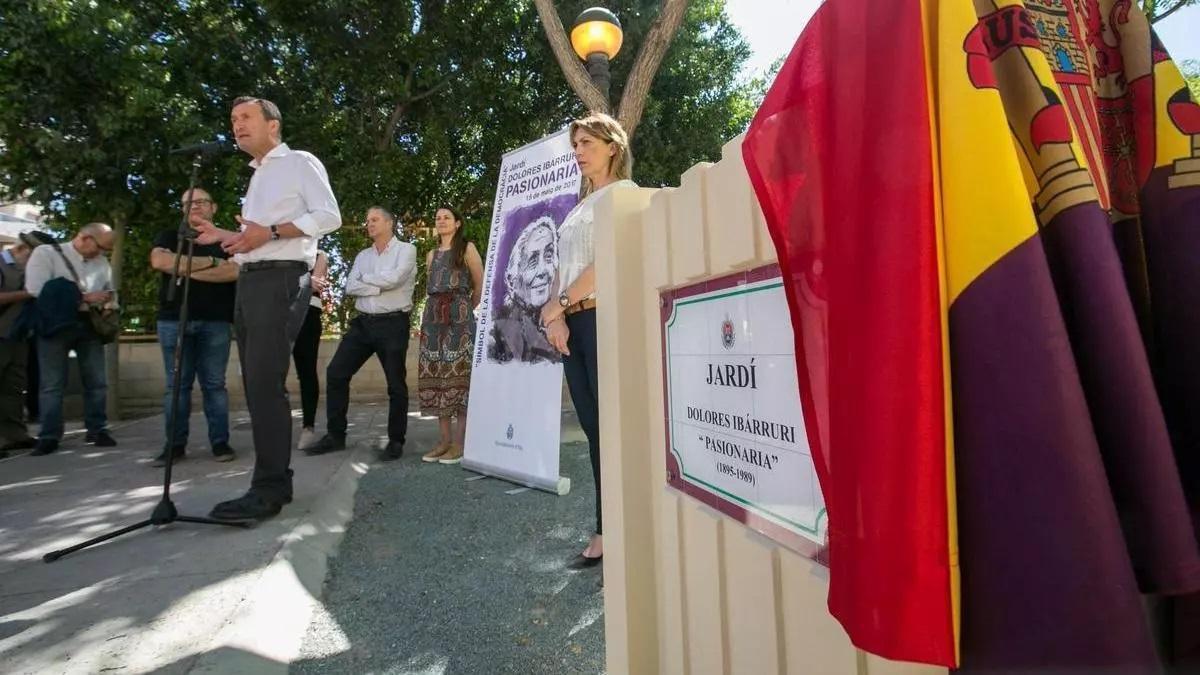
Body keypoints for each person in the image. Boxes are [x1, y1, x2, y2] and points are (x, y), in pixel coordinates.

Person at [190, 96, 341, 521]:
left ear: (272, 125)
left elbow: (329, 216)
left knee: (263, 380)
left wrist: (269, 232)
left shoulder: (299, 163)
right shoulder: (256, 178)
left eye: (246, 117)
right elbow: (251, 242)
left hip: (281, 279)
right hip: (253, 281)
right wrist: (224, 234)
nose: (237, 125)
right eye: (233, 119)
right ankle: (273, 482)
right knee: (255, 384)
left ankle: (269, 488)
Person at [540, 112, 636, 569]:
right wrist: (555, 319)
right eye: (575, 144)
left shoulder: (625, 195)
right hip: (573, 325)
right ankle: (606, 529)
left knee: (615, 433)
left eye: (586, 143)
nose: (578, 151)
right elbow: (565, 263)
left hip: (606, 318)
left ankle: (618, 534)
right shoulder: (578, 207)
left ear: (612, 146)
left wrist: (558, 303)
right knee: (596, 434)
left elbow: (609, 261)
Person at [302, 207, 416, 462]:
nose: (369, 224)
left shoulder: (406, 250)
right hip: (362, 325)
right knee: (336, 373)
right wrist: (376, 285)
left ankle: (396, 441)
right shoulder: (364, 256)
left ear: (389, 222)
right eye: (367, 220)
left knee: (395, 384)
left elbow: (396, 279)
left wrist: (368, 282)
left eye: (374, 219)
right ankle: (335, 436)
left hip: (393, 323)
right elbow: (350, 286)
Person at [148, 187, 240, 467]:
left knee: (215, 385)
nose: (195, 207)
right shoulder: (169, 236)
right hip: (174, 320)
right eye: (189, 203)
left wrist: (183, 267)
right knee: (176, 386)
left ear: (213, 207)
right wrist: (212, 263)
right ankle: (174, 446)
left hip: (216, 321)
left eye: (201, 202)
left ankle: (220, 443)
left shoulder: (226, 239)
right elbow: (159, 261)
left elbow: (234, 271)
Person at [25, 223, 119, 455]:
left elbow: (108, 289)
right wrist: (84, 297)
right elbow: (37, 290)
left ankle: (97, 428)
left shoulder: (101, 262)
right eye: (100, 247)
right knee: (52, 384)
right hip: (54, 327)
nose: (102, 253)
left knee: (97, 381)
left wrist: (108, 303)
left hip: (88, 326)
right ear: (85, 238)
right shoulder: (46, 254)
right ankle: (49, 435)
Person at [418, 206, 482, 465]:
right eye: (438, 218)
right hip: (433, 319)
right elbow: (430, 287)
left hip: (460, 319)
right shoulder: (431, 254)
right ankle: (443, 441)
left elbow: (479, 284)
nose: (442, 221)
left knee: (459, 378)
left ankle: (459, 443)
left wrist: (464, 309)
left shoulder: (467, 248)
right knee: (436, 377)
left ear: (457, 223)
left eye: (447, 217)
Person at [0, 231, 53, 457]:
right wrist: (28, 293)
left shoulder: (30, 269)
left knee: (13, 388)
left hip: (18, 337)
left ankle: (15, 435)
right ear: (23, 249)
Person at [486, 216, 559, 364]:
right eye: (532, 261)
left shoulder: (561, 318)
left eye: (549, 256)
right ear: (511, 280)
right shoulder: (497, 335)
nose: (543, 270)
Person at [293, 249, 328, 451]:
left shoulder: (319, 254)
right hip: (277, 311)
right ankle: (273, 427)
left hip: (308, 313)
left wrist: (285, 280)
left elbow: (316, 282)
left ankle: (308, 428)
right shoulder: (280, 250)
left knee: (306, 372)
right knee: (271, 372)